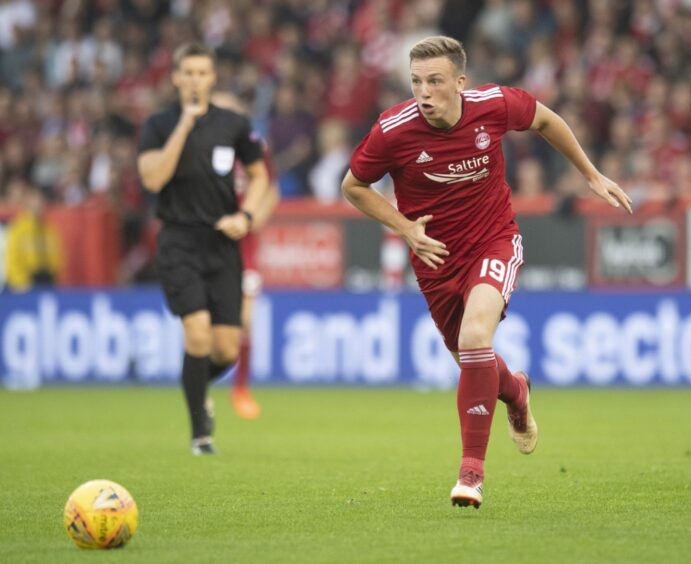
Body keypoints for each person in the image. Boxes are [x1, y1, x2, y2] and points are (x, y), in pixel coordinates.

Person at [342, 36, 632, 508]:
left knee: (476, 336)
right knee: (471, 358)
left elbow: (544, 119)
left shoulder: (493, 105)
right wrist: (404, 228)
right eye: (416, 82)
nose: (424, 92)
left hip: (493, 239)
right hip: (435, 258)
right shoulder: (392, 130)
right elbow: (353, 186)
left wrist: (591, 174)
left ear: (460, 82)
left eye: (435, 82)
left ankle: (471, 474)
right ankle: (516, 391)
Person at [137, 42, 270, 455]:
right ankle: (201, 434)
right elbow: (153, 180)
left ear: (212, 78)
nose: (194, 80)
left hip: (221, 242)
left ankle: (195, 390)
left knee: (226, 348)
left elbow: (260, 176)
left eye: (202, 73)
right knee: (196, 334)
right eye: (187, 73)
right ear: (176, 78)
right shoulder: (159, 125)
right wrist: (185, 125)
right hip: (178, 241)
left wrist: (245, 217)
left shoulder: (234, 124)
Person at [210, 91, 280, 419]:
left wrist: (253, 218)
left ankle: (241, 388)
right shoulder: (199, 148)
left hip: (243, 245)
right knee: (209, 326)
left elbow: (271, 188)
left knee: (246, 320)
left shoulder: (254, 148)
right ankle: (202, 388)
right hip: (207, 243)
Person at [4, 186, 63, 292]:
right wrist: (21, 282)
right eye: (36, 200)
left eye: (41, 200)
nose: (39, 204)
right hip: (25, 283)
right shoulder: (18, 228)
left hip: (46, 281)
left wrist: (54, 280)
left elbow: (57, 258)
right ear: (27, 202)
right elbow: (12, 258)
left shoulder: (49, 229)